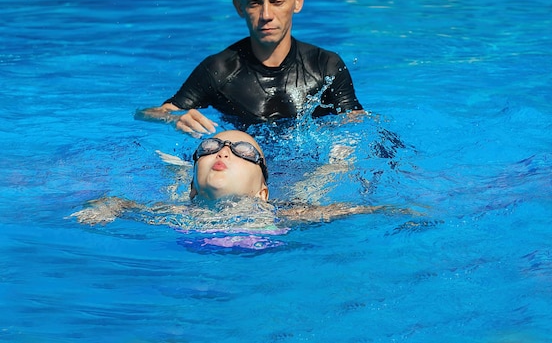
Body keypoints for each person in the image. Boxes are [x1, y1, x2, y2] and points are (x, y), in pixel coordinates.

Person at [136, 0, 363, 137]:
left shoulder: (325, 65)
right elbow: (146, 114)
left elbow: (357, 122)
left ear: (297, 1)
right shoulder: (220, 69)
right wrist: (175, 119)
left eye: (277, 2)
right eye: (255, 3)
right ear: (239, 7)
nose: (266, 15)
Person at [71, 130, 391, 230]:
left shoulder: (282, 212)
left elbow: (344, 209)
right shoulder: (180, 211)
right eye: (209, 148)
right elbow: (118, 203)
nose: (223, 152)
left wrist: (398, 213)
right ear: (194, 189)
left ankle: (336, 164)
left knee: (314, 190)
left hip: (278, 202)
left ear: (262, 191)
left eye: (242, 151)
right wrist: (105, 208)